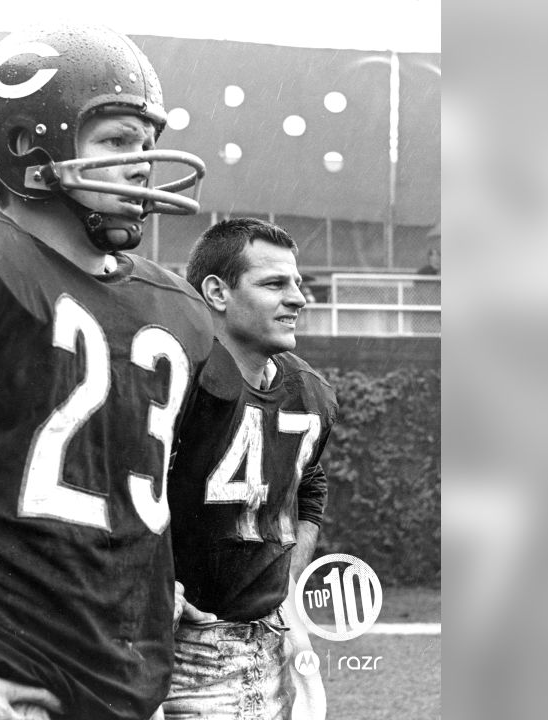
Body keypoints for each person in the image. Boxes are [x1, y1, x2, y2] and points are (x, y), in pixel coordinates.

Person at [0, 24, 213, 720]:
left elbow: (125, 509)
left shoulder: (178, 313)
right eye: (116, 141)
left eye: (145, 144)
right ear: (26, 147)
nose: (142, 165)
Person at [163, 218, 339, 720]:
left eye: (298, 283)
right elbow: (116, 483)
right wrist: (159, 585)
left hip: (271, 637)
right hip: (179, 641)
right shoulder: (178, 377)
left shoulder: (306, 390)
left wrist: (290, 575)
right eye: (274, 284)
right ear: (217, 292)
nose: (299, 298)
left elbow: (310, 483)